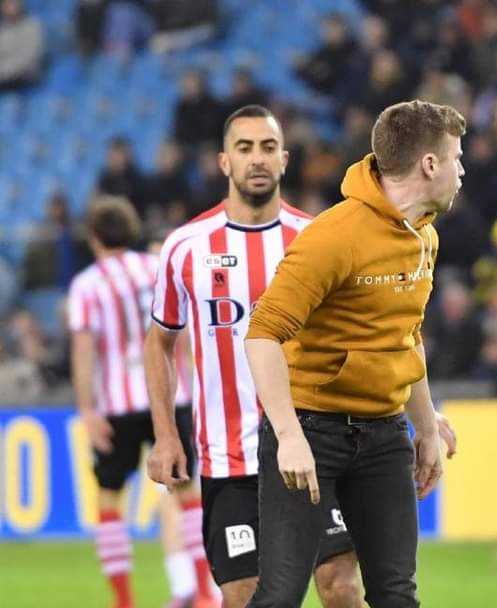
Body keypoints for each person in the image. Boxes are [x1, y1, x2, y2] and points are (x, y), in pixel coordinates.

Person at [144, 105, 385, 608]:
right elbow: (159, 340)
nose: (257, 158)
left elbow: (369, 333)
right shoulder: (185, 247)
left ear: (285, 160)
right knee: (245, 597)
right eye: (245, 148)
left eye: (268, 148)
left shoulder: (319, 239)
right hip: (229, 460)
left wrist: (418, 418)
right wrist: (166, 433)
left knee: (341, 586)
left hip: (318, 447)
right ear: (224, 162)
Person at [242, 100, 465, 608]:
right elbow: (262, 334)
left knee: (395, 595)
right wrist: (289, 435)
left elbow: (406, 337)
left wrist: (426, 428)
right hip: (310, 431)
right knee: (278, 597)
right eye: (456, 157)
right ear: (429, 165)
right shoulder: (333, 236)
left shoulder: (424, 237)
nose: (462, 170)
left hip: (384, 433)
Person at [67, 197, 215, 608]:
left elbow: (84, 350)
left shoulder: (87, 285)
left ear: (94, 237)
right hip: (170, 397)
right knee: (188, 493)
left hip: (117, 403)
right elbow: (180, 334)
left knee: (110, 497)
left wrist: (87, 409)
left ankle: (124, 601)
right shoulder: (156, 268)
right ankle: (204, 593)